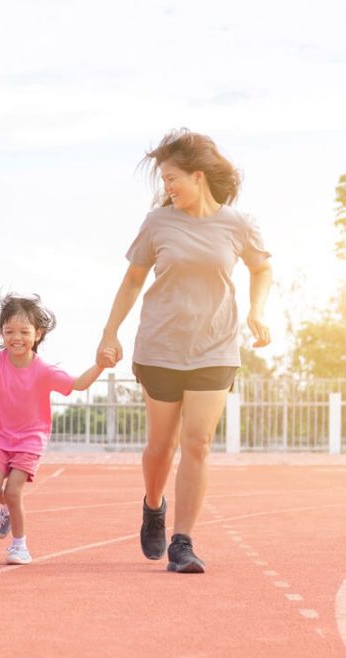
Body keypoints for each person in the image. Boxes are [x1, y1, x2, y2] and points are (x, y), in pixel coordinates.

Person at [95, 129, 273, 573]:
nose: (166, 188)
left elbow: (262, 268)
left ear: (198, 176)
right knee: (161, 445)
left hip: (216, 347)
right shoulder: (158, 223)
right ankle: (153, 505)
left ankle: (183, 541)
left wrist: (257, 310)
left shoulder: (237, 224)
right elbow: (133, 281)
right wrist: (110, 332)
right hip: (160, 346)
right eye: (163, 180)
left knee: (198, 442)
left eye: (172, 179)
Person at [0, 294, 114, 564]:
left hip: (30, 440)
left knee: (13, 491)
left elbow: (79, 384)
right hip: (0, 438)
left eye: (24, 332)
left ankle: (19, 545)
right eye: (9, 331)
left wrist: (100, 366)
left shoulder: (44, 371)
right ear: (1, 333)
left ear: (37, 334)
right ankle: (7, 508)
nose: (17, 337)